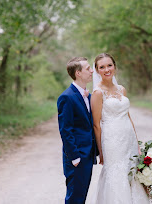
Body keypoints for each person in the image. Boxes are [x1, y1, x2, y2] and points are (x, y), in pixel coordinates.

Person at [91, 53, 149, 203]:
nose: (106, 69)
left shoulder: (121, 89)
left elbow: (128, 117)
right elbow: (96, 125)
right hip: (112, 140)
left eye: (109, 65)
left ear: (115, 67)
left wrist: (136, 142)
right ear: (97, 71)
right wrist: (101, 151)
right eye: (102, 67)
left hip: (127, 137)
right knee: (116, 173)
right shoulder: (97, 93)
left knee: (131, 169)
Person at [57, 57, 98, 204]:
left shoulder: (89, 95)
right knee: (75, 198)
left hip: (87, 155)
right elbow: (65, 130)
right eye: (88, 68)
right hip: (77, 158)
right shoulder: (66, 97)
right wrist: (74, 157)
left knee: (81, 196)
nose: (92, 71)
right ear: (78, 73)